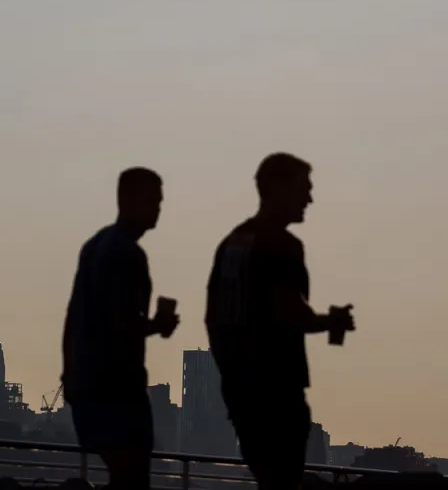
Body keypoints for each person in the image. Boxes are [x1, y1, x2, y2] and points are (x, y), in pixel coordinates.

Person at [205, 153, 356, 490]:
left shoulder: (232, 244)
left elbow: (213, 318)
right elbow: (289, 311)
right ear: (277, 187)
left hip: (241, 391)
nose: (309, 199)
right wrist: (332, 321)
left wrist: (232, 376)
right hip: (277, 390)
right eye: (304, 189)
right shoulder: (281, 245)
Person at [61, 167, 180, 490]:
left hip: (89, 387)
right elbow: (122, 325)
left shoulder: (94, 247)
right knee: (132, 476)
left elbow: (73, 318)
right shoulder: (128, 254)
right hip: (118, 390)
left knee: (122, 473)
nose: (158, 209)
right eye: (152, 200)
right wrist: (158, 325)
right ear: (127, 200)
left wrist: (69, 374)